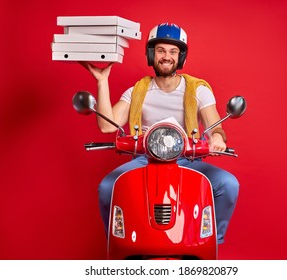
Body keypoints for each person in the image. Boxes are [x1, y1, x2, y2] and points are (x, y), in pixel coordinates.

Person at [80, 23, 239, 244]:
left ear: (180, 56)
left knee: (228, 184)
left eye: (173, 51)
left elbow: (215, 125)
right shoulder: (137, 91)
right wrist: (102, 80)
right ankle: (117, 243)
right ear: (151, 54)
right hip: (145, 158)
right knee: (108, 187)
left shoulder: (197, 89)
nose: (167, 56)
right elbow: (108, 125)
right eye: (161, 50)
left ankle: (213, 241)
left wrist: (217, 138)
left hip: (187, 158)